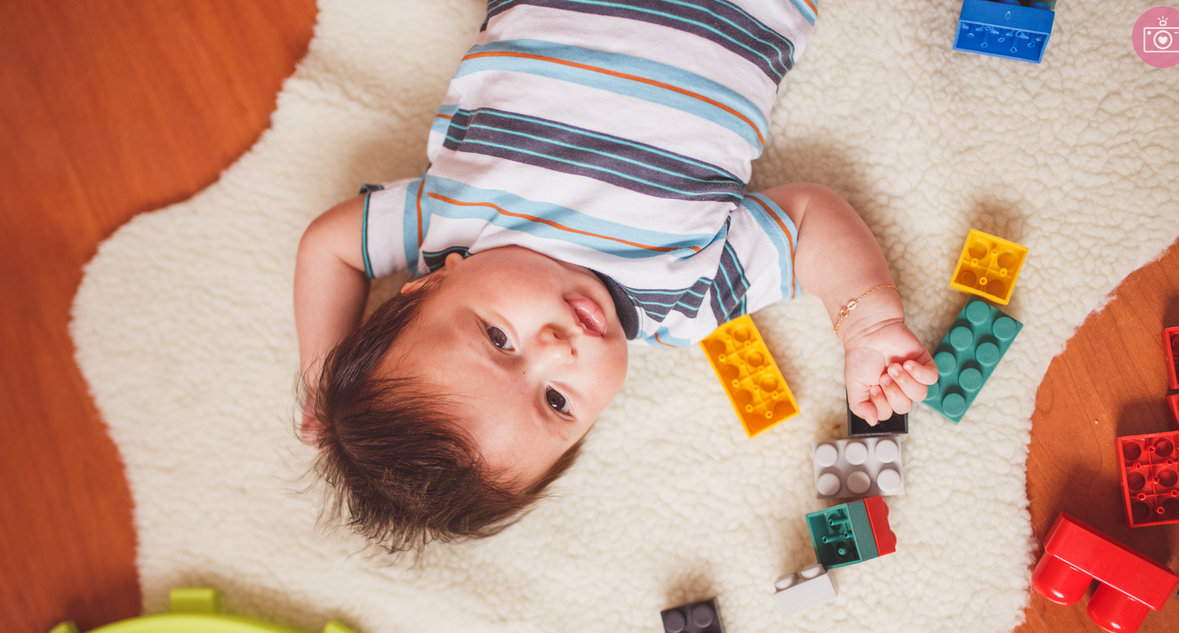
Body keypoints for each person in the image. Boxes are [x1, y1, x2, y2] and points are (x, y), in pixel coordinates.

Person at [294, 0, 937, 550]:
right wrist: (868, 324)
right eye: (557, 402)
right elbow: (807, 223)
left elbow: (331, 249)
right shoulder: (684, 298)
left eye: (497, 340)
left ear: (430, 284)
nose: (556, 351)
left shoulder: (447, 224)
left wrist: (324, 380)